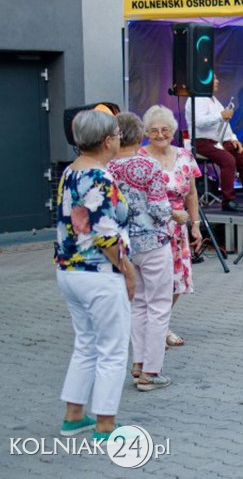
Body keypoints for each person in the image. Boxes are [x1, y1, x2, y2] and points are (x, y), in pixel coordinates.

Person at [54, 110, 136, 440]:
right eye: (117, 134)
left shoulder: (69, 173)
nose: (119, 139)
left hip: (69, 270)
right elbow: (105, 236)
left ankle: (74, 415)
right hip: (100, 272)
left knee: (86, 344)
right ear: (107, 141)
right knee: (113, 350)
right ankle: (105, 424)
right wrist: (128, 272)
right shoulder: (100, 178)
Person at [108, 112, 174, 391]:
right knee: (159, 306)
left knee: (138, 305)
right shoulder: (150, 166)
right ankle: (151, 370)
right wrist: (176, 215)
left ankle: (138, 364)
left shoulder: (106, 168)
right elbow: (160, 209)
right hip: (153, 243)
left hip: (123, 246)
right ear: (140, 135)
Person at [140, 105, 201, 349]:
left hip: (179, 229)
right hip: (151, 228)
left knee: (177, 280)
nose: (160, 134)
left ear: (173, 130)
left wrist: (195, 224)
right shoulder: (140, 158)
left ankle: (160, 323)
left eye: (165, 129)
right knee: (155, 281)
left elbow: (192, 193)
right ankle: (153, 327)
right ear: (146, 132)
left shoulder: (185, 156)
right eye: (154, 130)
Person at [186, 75, 243, 211]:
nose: (217, 81)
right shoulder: (196, 99)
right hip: (202, 142)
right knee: (228, 160)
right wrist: (221, 115)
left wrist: (233, 138)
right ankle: (228, 201)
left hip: (219, 141)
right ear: (204, 81)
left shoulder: (214, 100)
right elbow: (199, 122)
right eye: (214, 79)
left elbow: (225, 124)